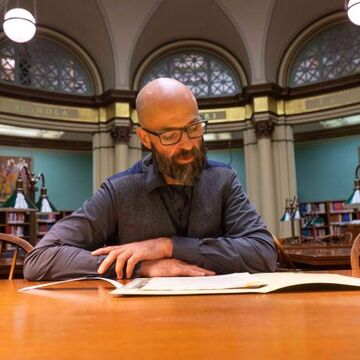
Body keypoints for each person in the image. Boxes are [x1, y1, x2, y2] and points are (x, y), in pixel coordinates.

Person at [24, 78, 277, 280]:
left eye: (193, 128)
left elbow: (264, 253)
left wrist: (167, 246)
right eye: (169, 135)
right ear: (145, 139)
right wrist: (141, 266)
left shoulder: (224, 180)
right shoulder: (118, 191)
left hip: (218, 320)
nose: (187, 144)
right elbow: (39, 259)